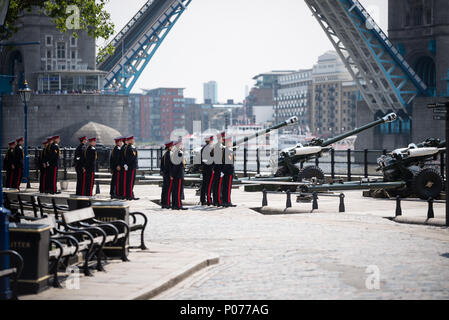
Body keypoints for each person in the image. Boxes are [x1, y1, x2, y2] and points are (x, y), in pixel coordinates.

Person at [170, 141, 186, 210]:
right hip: (178, 175)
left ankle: (174, 204)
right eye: (181, 145)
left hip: (176, 174)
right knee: (179, 190)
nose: (182, 146)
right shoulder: (179, 153)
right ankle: (179, 205)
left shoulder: (175, 153)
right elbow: (177, 166)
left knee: (175, 190)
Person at [221, 137, 237, 207]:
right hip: (228, 172)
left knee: (225, 187)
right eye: (230, 142)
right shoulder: (228, 150)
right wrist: (224, 171)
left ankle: (224, 201)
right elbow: (229, 163)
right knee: (227, 188)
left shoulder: (225, 150)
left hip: (225, 171)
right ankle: (227, 201)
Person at [200, 136, 215, 206]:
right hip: (209, 169)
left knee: (204, 184)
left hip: (205, 168)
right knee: (209, 185)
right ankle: (209, 200)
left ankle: (203, 200)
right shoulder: (210, 148)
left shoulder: (203, 148)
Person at [212, 132, 225, 207]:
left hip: (216, 168)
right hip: (219, 168)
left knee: (216, 185)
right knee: (219, 185)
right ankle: (218, 201)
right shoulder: (219, 147)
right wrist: (221, 170)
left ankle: (215, 200)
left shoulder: (216, 146)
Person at [124, 136, 139, 201]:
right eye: (132, 140)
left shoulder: (129, 147)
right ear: (129, 140)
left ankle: (130, 194)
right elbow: (131, 158)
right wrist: (127, 164)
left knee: (130, 181)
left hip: (130, 166)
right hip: (131, 167)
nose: (133, 141)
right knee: (130, 182)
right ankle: (130, 195)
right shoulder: (130, 147)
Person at [160, 141, 174, 209]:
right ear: (170, 147)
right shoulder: (170, 154)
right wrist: (171, 175)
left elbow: (162, 165)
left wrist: (162, 172)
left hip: (165, 174)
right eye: (172, 146)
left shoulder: (165, 154)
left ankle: (163, 202)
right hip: (169, 175)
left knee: (165, 189)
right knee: (168, 190)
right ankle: (167, 203)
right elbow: (170, 166)